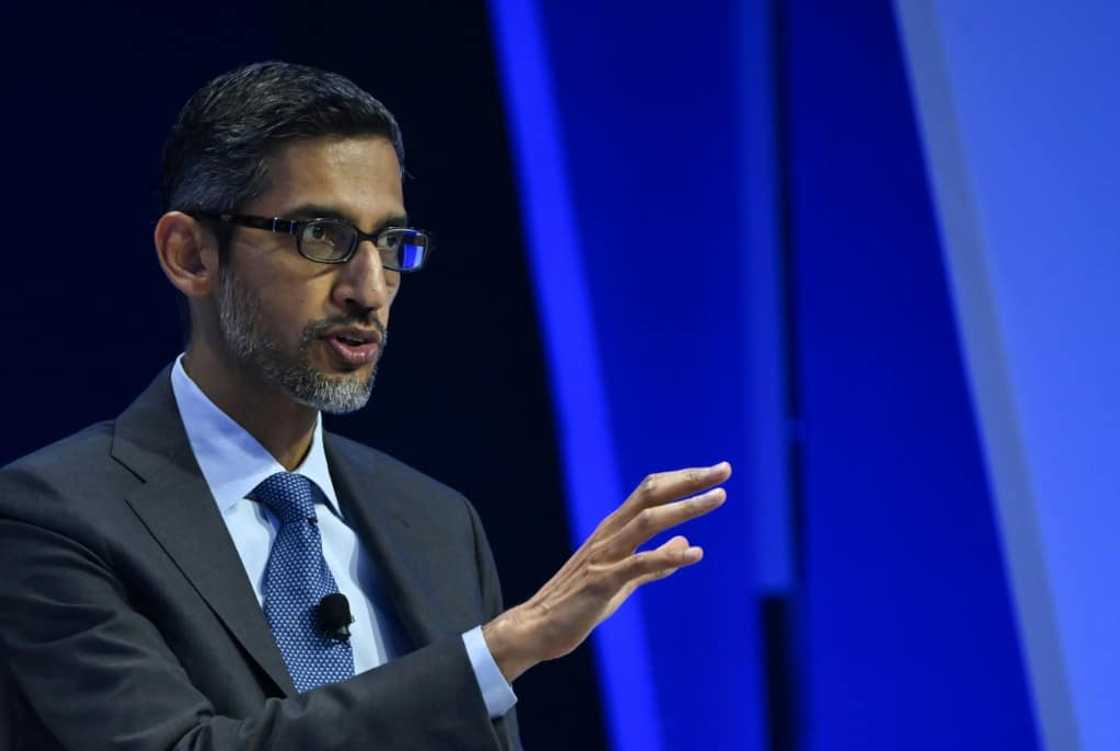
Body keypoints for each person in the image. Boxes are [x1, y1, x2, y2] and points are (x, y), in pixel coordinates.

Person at [0, 61, 730, 750]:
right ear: (191, 254)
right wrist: (502, 647)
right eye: (323, 235)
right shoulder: (52, 517)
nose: (369, 287)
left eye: (390, 242)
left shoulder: (438, 524)